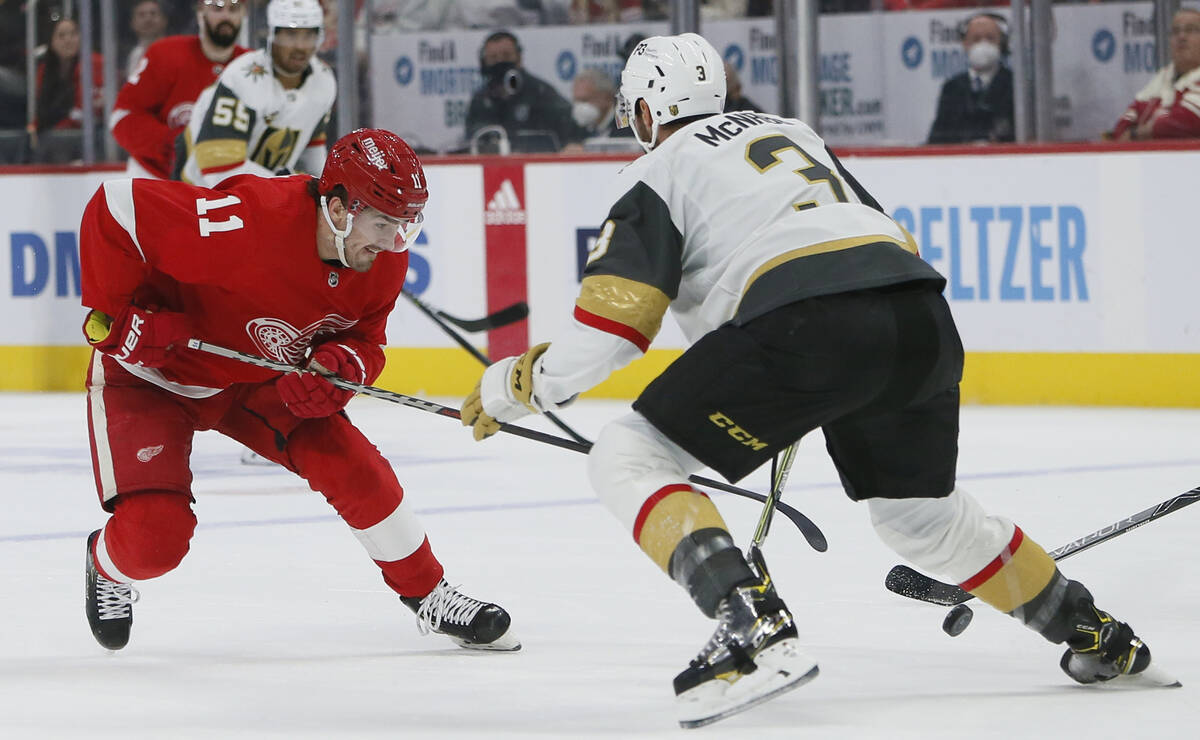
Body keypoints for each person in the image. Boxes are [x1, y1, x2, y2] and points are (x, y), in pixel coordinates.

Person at [461, 32, 1169, 727]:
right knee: (921, 518)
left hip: (805, 327)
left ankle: (750, 626)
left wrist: (513, 387)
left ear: (645, 110)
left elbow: (613, 333)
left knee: (627, 455)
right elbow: (879, 236)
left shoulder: (658, 169)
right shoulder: (792, 132)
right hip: (917, 314)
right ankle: (1095, 633)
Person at [78, 127, 519, 655]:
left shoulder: (382, 259)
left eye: (406, 228)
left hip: (256, 377)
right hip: (154, 376)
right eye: (383, 225)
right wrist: (115, 316)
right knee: (154, 540)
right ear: (337, 209)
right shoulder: (247, 222)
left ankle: (429, 594)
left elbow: (366, 342)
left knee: (354, 466)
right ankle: (104, 565)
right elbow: (116, 207)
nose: (392, 244)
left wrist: (340, 368)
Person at [178, 0, 335, 186]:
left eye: (309, 35)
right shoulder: (243, 78)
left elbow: (311, 148)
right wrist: (286, 186)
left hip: (266, 196)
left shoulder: (323, 80)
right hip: (200, 192)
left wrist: (323, 190)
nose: (300, 46)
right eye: (291, 35)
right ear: (272, 34)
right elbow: (219, 167)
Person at [110, 0, 250, 180]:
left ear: (243, 14)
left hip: (219, 184)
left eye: (234, 9)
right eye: (217, 8)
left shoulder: (251, 68)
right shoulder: (165, 54)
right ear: (201, 11)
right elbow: (122, 116)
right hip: (155, 179)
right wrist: (174, 144)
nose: (226, 16)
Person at [464, 30, 584, 153]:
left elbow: (571, 133)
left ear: (519, 58)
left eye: (506, 56)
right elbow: (473, 138)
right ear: (484, 62)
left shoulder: (541, 93)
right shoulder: (481, 100)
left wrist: (572, 144)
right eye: (493, 58)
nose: (500, 62)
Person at [1110, 7, 1200, 141]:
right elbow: (1123, 125)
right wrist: (1148, 129)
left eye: (1190, 30)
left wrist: (1136, 134)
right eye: (1175, 31)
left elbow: (1185, 122)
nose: (1182, 37)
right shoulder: (1164, 76)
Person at [927, 12, 1014, 144]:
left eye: (990, 38)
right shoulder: (951, 88)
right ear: (965, 44)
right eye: (976, 39)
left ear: (1001, 43)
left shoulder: (1016, 86)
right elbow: (936, 139)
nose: (983, 45)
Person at [29, 17, 105, 163]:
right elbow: (41, 110)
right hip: (56, 137)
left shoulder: (94, 63)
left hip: (90, 136)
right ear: (52, 41)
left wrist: (56, 131)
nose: (68, 40)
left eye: (73, 34)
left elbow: (86, 110)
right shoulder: (44, 70)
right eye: (61, 35)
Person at [569, 67, 627, 139]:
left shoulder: (626, 125)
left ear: (606, 98)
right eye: (576, 101)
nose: (579, 107)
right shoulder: (576, 129)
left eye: (585, 100)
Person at [124, 0, 168, 77]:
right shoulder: (134, 55)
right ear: (133, 23)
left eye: (153, 13)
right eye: (141, 15)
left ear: (164, 20)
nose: (148, 19)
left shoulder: (174, 51)